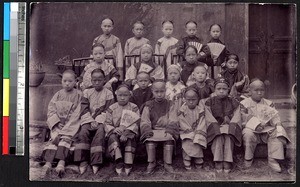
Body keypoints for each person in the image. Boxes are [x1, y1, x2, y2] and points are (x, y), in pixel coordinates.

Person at [240, 79, 290, 173]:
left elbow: (274, 116)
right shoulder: (244, 103)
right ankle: (248, 158)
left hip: (266, 131)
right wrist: (255, 125)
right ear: (250, 91)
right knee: (247, 133)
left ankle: (273, 159)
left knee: (278, 132)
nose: (259, 93)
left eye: (262, 90)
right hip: (251, 130)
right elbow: (243, 118)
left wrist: (277, 125)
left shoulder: (269, 103)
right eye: (256, 90)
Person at [41, 70, 82, 177]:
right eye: (64, 81)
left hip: (72, 125)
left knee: (66, 139)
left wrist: (69, 125)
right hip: (59, 124)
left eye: (70, 81)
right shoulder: (58, 95)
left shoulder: (79, 95)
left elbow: (78, 112)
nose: (67, 83)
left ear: (75, 82)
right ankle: (48, 162)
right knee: (55, 139)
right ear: (61, 82)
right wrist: (57, 123)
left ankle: (61, 162)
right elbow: (51, 109)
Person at [74, 68, 115, 174]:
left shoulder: (108, 93)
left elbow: (109, 109)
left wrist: (97, 120)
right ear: (91, 80)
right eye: (94, 80)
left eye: (100, 80)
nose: (97, 82)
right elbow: (84, 108)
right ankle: (82, 160)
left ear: (104, 80)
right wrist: (91, 120)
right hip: (88, 119)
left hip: (102, 120)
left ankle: (96, 161)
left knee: (100, 132)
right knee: (83, 131)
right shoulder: (87, 92)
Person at [201, 77, 242, 173]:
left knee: (228, 135)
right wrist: (216, 126)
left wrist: (230, 125)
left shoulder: (234, 102)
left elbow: (237, 117)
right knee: (217, 135)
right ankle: (218, 160)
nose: (221, 91)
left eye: (224, 89)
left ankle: (227, 160)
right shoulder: (209, 102)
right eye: (218, 89)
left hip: (228, 126)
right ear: (214, 90)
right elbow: (208, 117)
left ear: (228, 90)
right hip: (215, 126)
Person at [140, 80, 179, 174]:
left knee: (169, 139)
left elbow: (173, 119)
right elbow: (144, 120)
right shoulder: (148, 105)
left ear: (165, 91)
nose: (159, 94)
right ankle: (151, 163)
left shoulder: (170, 104)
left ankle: (167, 163)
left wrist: (170, 130)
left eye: (162, 91)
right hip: (153, 130)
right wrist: (147, 130)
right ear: (152, 91)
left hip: (166, 130)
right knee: (150, 141)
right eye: (156, 92)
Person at [104, 84, 140, 176]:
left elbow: (137, 122)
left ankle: (128, 162)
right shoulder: (111, 108)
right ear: (116, 95)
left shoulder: (134, 107)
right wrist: (114, 129)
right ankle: (118, 161)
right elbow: (107, 123)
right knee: (112, 137)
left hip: (129, 131)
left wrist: (126, 133)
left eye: (125, 95)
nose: (122, 98)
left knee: (130, 138)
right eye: (120, 95)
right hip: (116, 131)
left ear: (130, 95)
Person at [178, 87, 207, 170]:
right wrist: (189, 131)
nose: (191, 102)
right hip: (186, 131)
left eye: (193, 99)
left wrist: (198, 131)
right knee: (188, 139)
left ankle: (198, 157)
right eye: (188, 100)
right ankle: (187, 158)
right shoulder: (182, 110)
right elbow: (181, 122)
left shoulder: (200, 110)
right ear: (185, 99)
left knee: (198, 139)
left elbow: (202, 122)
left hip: (197, 130)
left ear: (197, 99)